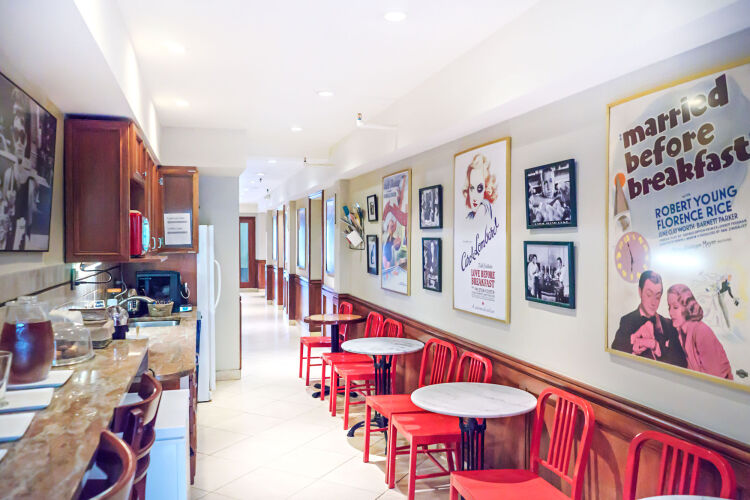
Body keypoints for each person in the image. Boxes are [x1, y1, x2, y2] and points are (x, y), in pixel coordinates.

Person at [611, 270, 687, 367]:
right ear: (640, 292)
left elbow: (682, 363)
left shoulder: (669, 325)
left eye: (657, 297)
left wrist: (656, 346)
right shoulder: (627, 320)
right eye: (649, 295)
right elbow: (615, 352)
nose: (653, 302)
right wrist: (634, 338)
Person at [667, 284, 733, 379]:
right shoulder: (681, 333)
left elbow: (716, 376)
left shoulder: (702, 332)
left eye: (675, 307)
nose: (670, 312)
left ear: (688, 307)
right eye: (669, 307)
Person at [462, 153, 497, 220]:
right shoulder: (470, 217)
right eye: (472, 188)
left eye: (479, 188)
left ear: (486, 189)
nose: (474, 197)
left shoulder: (487, 214)